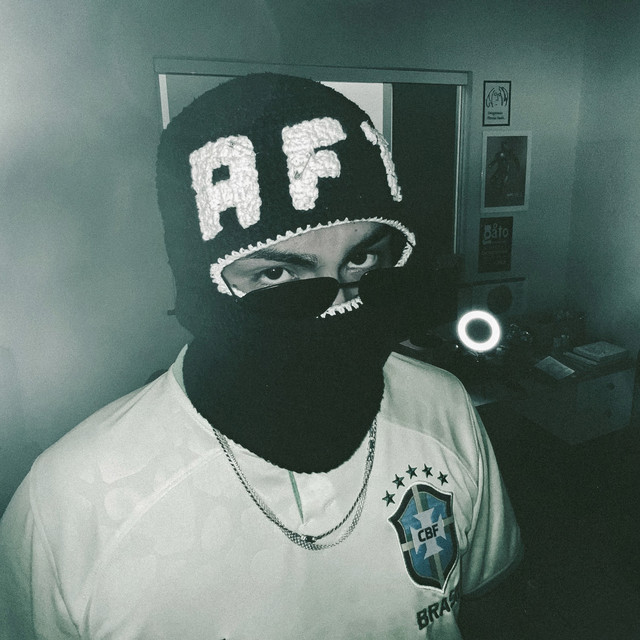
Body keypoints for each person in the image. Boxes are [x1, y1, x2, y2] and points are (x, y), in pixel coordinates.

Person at [0, 73, 522, 639]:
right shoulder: (71, 504)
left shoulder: (441, 407)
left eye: (362, 261)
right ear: (199, 286)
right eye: (276, 275)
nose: (339, 309)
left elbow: (486, 599)